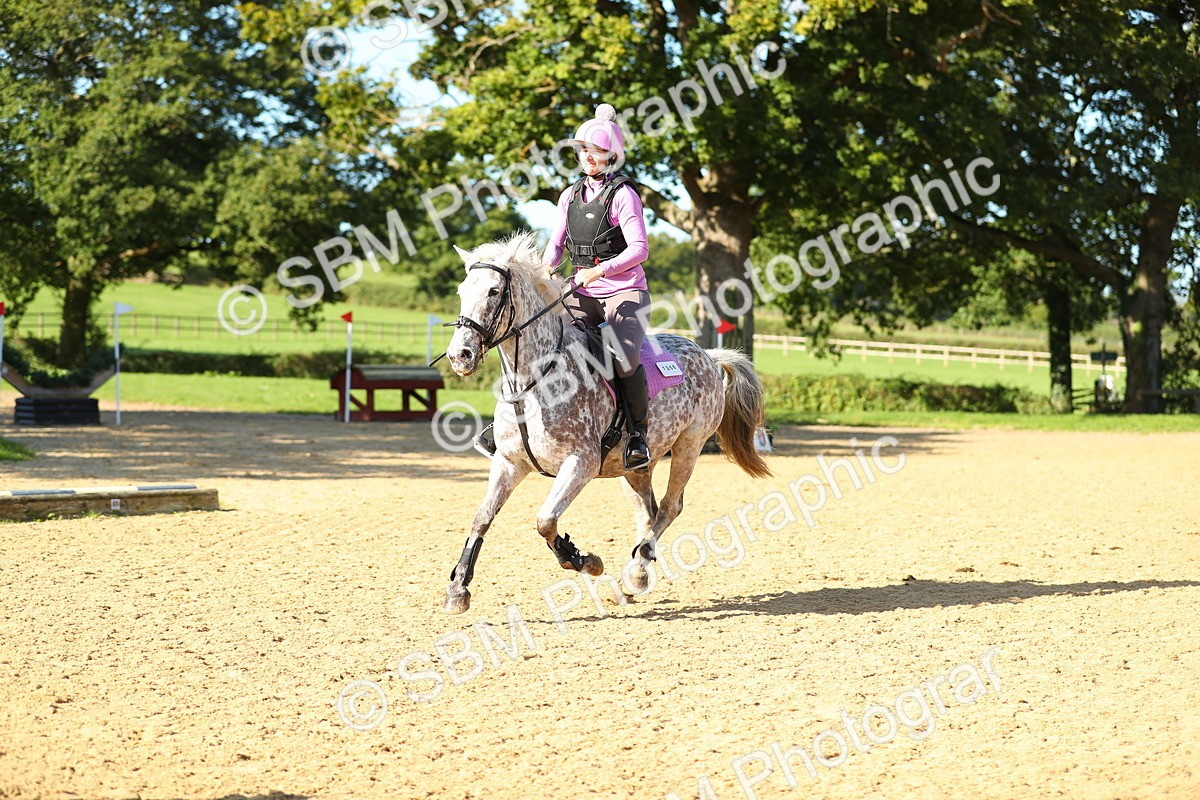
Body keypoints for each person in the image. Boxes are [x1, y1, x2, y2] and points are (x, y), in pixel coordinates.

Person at [543, 103, 652, 471]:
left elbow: (640, 249)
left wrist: (601, 270)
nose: (589, 157)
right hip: (582, 292)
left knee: (622, 358)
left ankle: (638, 435)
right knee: (540, 338)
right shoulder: (569, 195)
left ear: (612, 156)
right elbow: (556, 246)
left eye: (598, 151)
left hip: (625, 292)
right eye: (585, 150)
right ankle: (514, 422)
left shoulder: (623, 195)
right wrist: (545, 271)